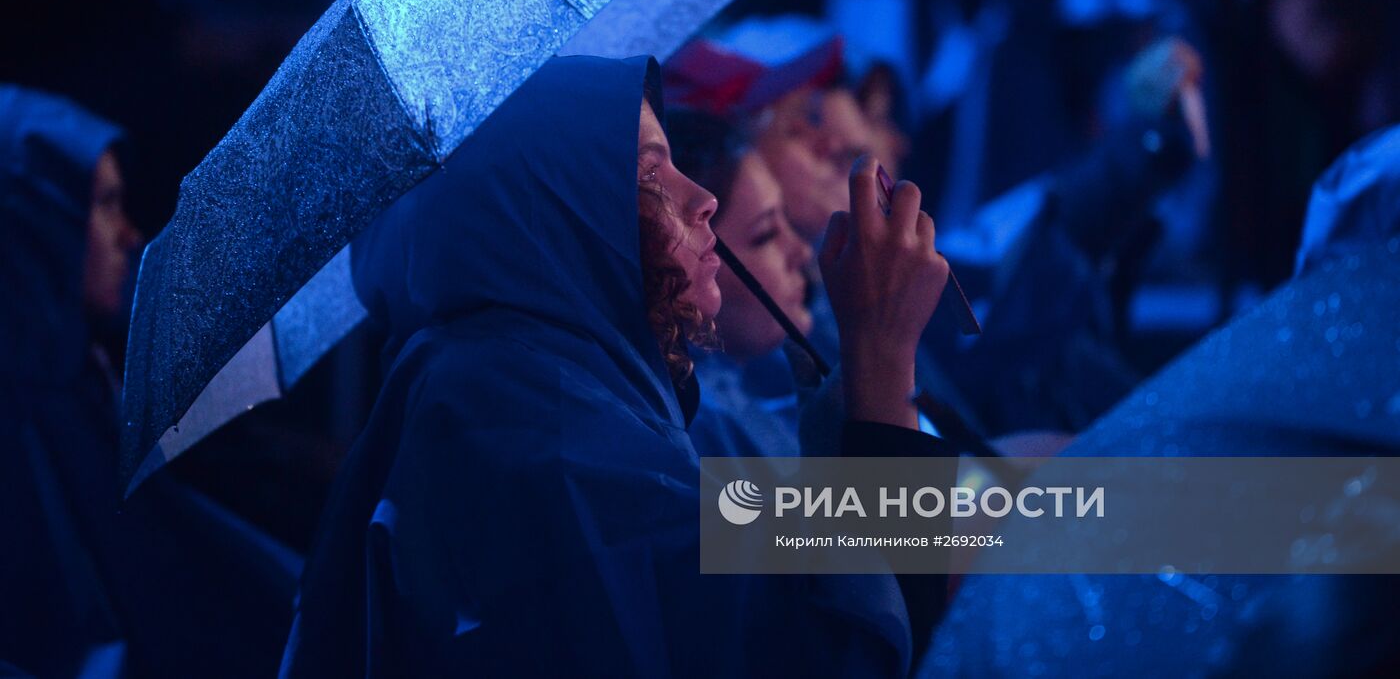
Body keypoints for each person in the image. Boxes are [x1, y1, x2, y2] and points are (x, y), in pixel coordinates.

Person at [282, 55, 956, 676]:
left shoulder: (499, 388)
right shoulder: (556, 449)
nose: (704, 202)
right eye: (651, 174)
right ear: (558, 221)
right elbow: (855, 650)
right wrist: (880, 353)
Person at [0, 86, 298, 678]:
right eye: (104, 203)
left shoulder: (88, 378)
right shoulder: (25, 418)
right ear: (37, 222)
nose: (130, 235)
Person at [665, 109, 813, 459]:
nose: (802, 253)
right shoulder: (704, 433)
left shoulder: (744, 391)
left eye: (786, 221)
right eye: (765, 235)